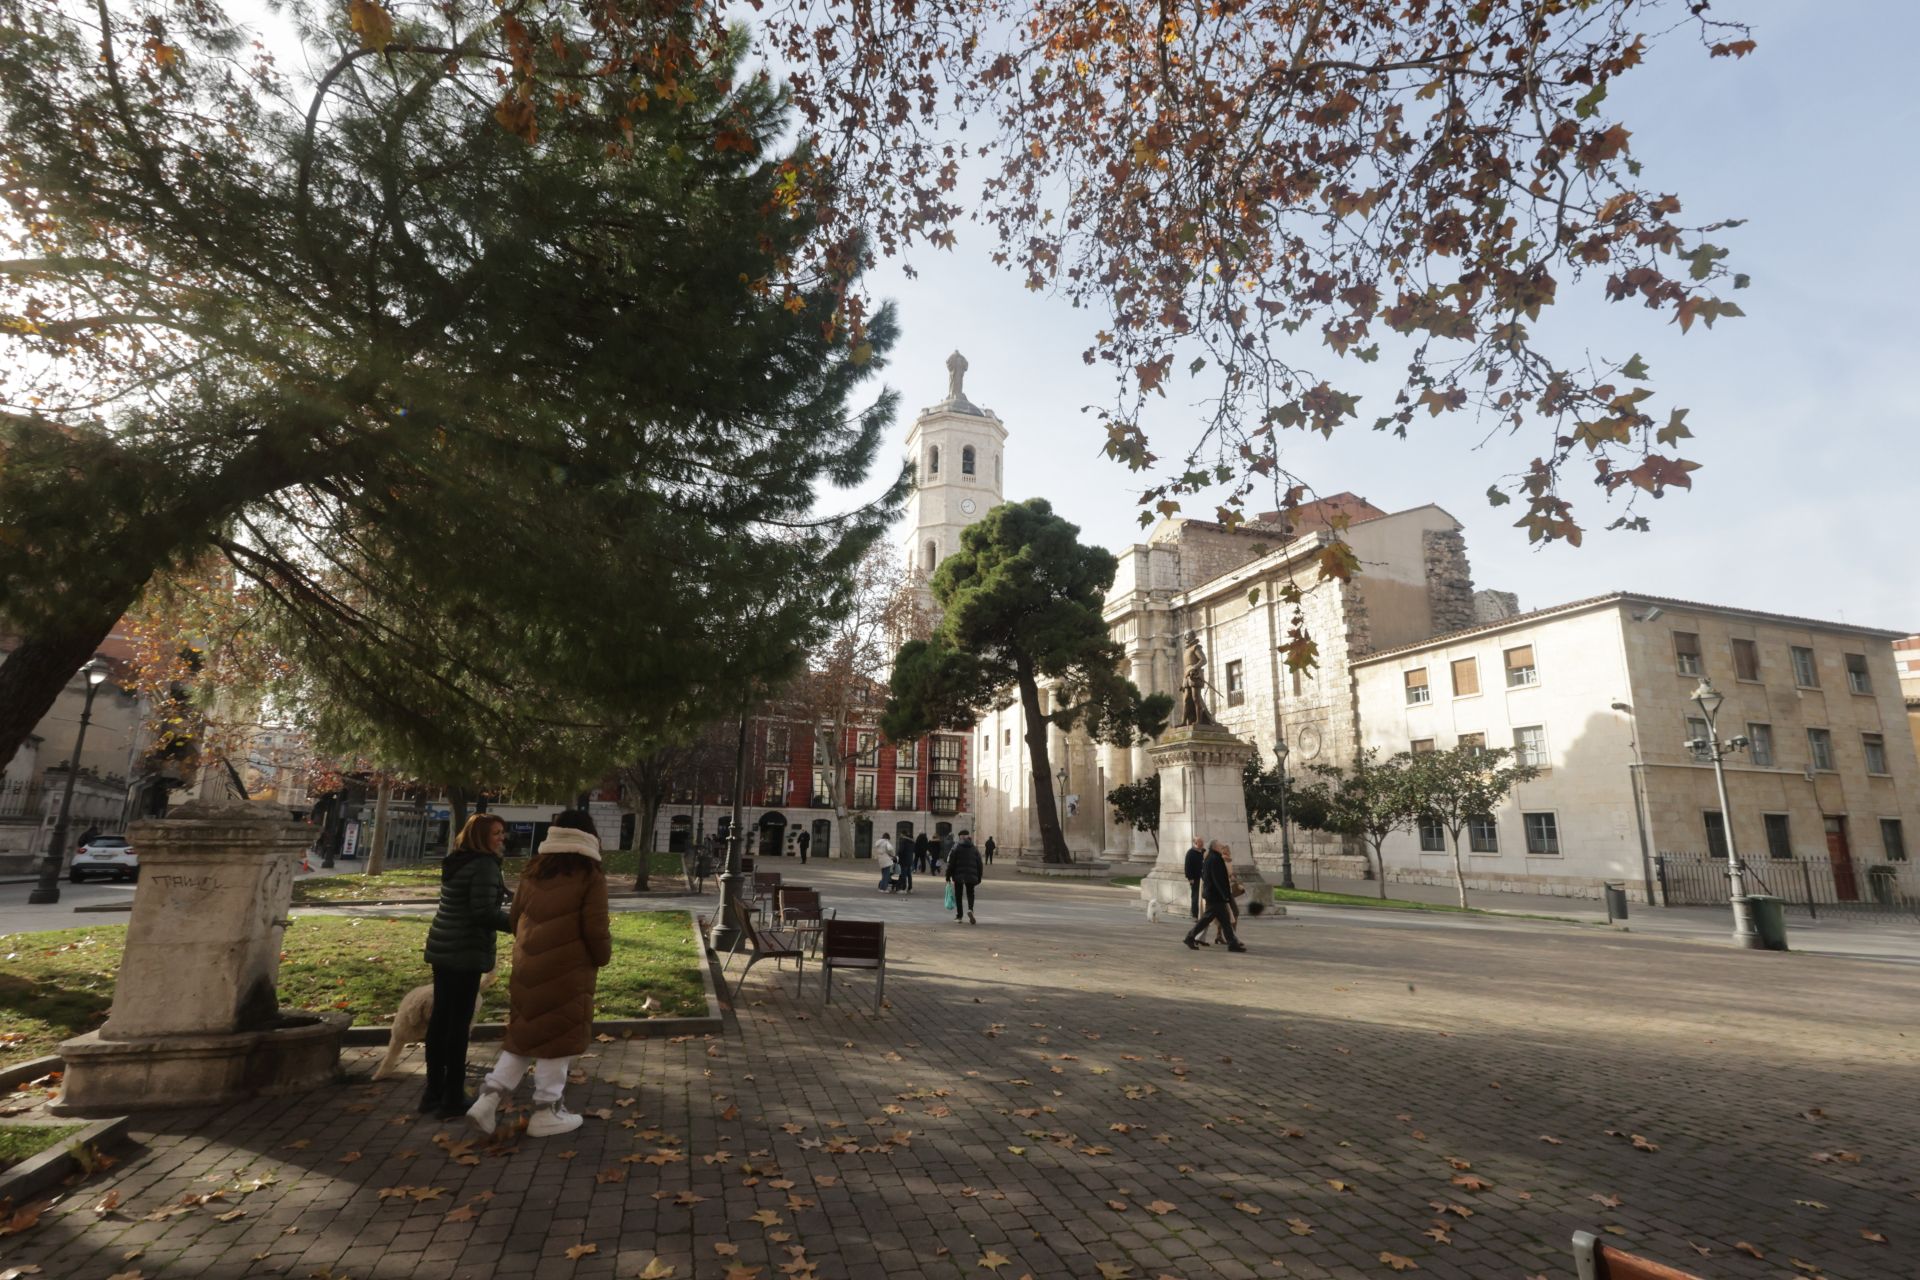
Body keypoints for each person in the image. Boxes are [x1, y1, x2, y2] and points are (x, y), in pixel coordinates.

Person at [466, 811, 612, 1138]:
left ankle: (488, 1098)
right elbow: (596, 929)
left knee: (523, 1035)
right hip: (567, 970)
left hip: (528, 966)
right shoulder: (589, 875)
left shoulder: (534, 871)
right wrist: (602, 956)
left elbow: (516, 917)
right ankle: (547, 1110)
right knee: (558, 1039)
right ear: (589, 837)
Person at [420, 814, 512, 1117]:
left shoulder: (457, 860)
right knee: (458, 1025)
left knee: (440, 1022)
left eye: (503, 832)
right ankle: (452, 1097)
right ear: (481, 836)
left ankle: (433, 1092)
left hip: (443, 947)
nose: (502, 838)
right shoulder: (485, 864)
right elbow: (483, 912)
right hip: (465, 951)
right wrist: (519, 921)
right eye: (496, 833)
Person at [1184, 840, 1246, 952]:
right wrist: (1225, 895)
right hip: (1215, 896)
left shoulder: (1213, 858)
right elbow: (1218, 880)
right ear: (1215, 847)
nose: (1222, 847)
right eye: (1220, 846)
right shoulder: (1215, 859)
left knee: (1225, 920)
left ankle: (1232, 943)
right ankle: (1190, 937)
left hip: (1214, 895)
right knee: (1207, 919)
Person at [946, 828, 983, 925]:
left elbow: (951, 863)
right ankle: (970, 909)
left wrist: (948, 875)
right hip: (971, 876)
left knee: (959, 895)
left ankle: (959, 916)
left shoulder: (956, 848)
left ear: (960, 837)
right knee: (970, 893)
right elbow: (980, 864)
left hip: (959, 876)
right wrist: (979, 877)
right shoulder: (974, 848)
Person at [1213, 845, 1245, 945]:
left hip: (1227, 890)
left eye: (1227, 852)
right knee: (1233, 912)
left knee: (1226, 914)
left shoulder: (1228, 862)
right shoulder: (1221, 861)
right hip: (1224, 892)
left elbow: (1230, 875)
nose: (1226, 854)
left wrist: (1233, 877)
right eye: (1224, 853)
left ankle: (1220, 935)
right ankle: (1233, 937)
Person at [1183, 835, 1206, 925]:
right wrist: (1190, 878)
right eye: (1201, 841)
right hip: (1195, 879)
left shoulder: (1204, 852)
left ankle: (1203, 913)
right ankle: (1195, 915)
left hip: (1204, 878)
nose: (1202, 843)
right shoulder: (1190, 853)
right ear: (1196, 843)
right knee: (1195, 896)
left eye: (1202, 841)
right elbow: (1187, 867)